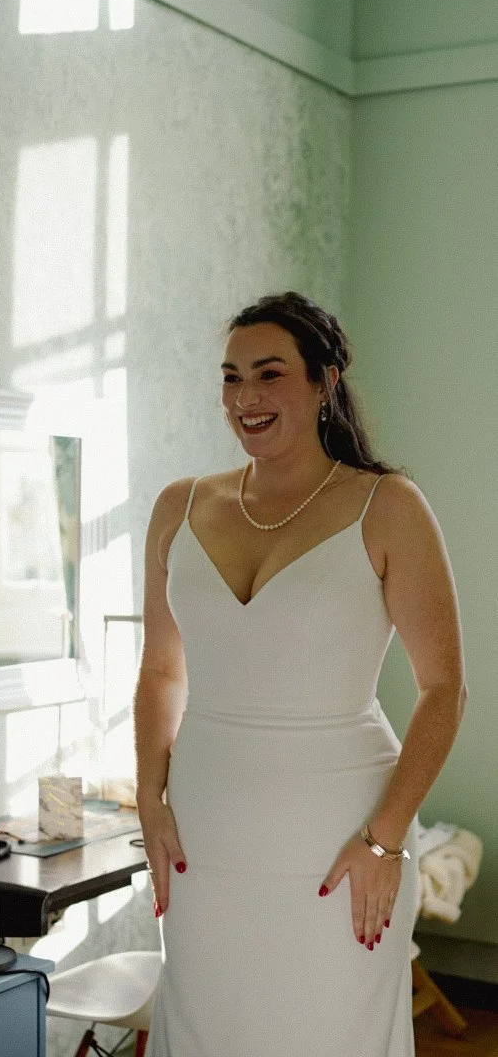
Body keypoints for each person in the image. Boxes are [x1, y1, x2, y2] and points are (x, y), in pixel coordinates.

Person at [135, 292, 467, 1056]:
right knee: (206, 1025)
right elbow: (159, 671)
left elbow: (444, 688)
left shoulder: (387, 505)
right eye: (230, 377)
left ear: (323, 381)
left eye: (268, 374)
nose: (245, 398)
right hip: (205, 834)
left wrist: (383, 843)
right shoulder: (177, 506)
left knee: (329, 1030)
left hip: (341, 834)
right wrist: (151, 803)